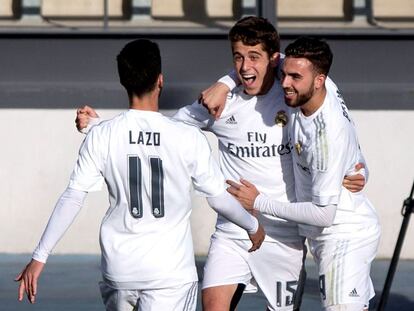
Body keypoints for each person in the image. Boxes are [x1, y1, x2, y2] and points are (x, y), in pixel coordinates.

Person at [76, 17, 365, 311]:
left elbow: (336, 126)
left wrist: (357, 166)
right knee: (212, 305)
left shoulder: (292, 93)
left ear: (275, 60)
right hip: (234, 229)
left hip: (284, 234)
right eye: (238, 57)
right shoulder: (221, 105)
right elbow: (162, 130)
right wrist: (103, 127)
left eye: (254, 57)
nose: (244, 66)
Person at [15, 39, 266, 311]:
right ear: (160, 80)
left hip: (119, 271)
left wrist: (39, 257)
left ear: (124, 82)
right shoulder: (187, 137)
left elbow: (73, 198)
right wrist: (253, 226)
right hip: (170, 274)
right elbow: (218, 199)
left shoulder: (102, 135)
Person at [227, 37, 381, 311]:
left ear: (320, 80)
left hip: (342, 234)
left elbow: (324, 214)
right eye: (284, 73)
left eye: (295, 77)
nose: (285, 82)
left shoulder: (325, 136)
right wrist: (223, 84)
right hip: (323, 236)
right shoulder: (316, 88)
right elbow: (262, 60)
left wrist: (259, 202)